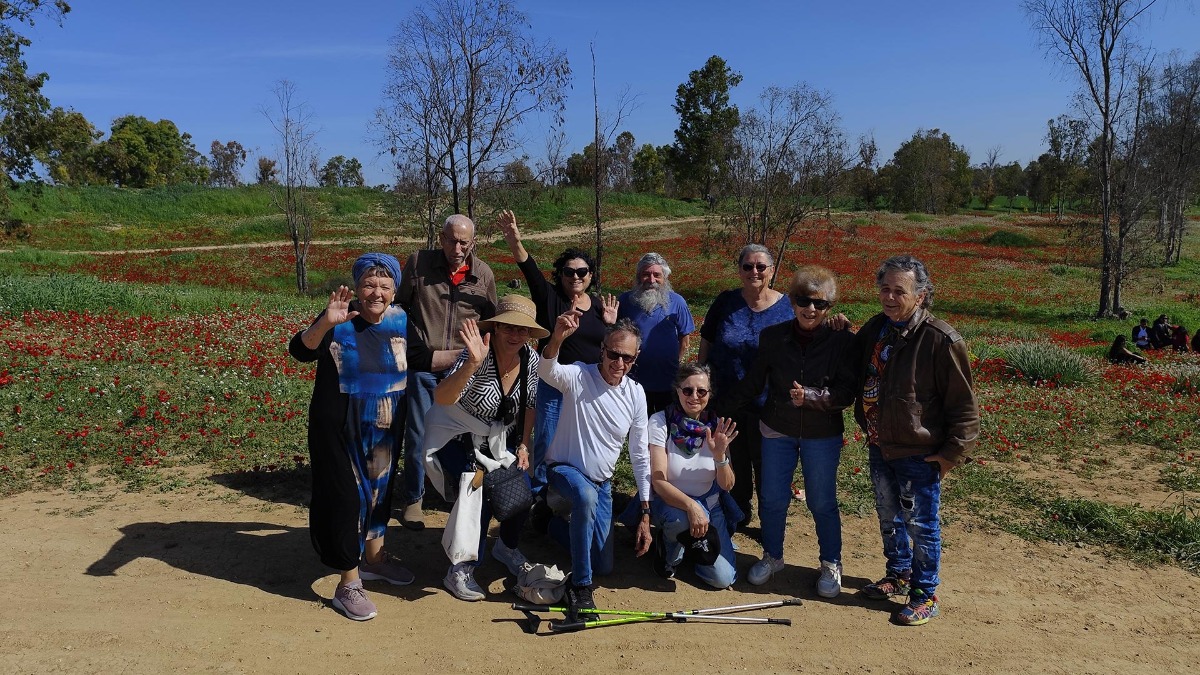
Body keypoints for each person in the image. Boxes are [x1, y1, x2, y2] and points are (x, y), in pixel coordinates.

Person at [853, 255, 979, 626]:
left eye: (899, 291)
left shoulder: (941, 339)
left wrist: (952, 455)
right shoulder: (876, 328)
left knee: (921, 525)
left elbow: (964, 405)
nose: (890, 297)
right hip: (881, 444)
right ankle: (899, 574)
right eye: (885, 289)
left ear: (921, 296)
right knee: (889, 517)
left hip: (920, 452)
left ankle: (925, 593)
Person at [288, 253, 414, 622]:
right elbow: (299, 351)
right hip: (339, 429)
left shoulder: (402, 319)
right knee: (346, 501)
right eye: (369, 285)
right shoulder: (339, 318)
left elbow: (422, 358)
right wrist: (324, 324)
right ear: (357, 288)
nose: (377, 292)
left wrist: (472, 356)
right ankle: (348, 583)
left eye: (384, 286)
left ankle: (374, 559)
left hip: (386, 426)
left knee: (379, 495)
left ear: (394, 290)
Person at [718, 265, 857, 598]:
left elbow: (846, 392)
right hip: (777, 428)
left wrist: (811, 397)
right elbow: (753, 383)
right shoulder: (774, 337)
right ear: (792, 301)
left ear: (829, 307)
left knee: (822, 501)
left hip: (821, 433)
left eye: (820, 304)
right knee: (772, 498)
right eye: (803, 301)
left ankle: (830, 562)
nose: (811, 309)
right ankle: (773, 556)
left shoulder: (841, 340)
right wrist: (713, 410)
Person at [419, 296, 546, 601]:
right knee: (478, 489)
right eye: (508, 328)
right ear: (496, 327)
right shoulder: (476, 354)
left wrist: (524, 444)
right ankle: (460, 568)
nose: (515, 336)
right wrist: (473, 363)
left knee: (522, 488)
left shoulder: (530, 360)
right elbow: (443, 397)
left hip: (497, 438)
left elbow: (529, 406)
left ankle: (507, 546)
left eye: (523, 330)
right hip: (456, 433)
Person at [496, 210, 618, 499]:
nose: (575, 276)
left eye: (581, 272)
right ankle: (538, 495)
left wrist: (611, 325)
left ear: (590, 276)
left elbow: (611, 347)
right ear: (560, 274)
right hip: (553, 383)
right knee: (547, 439)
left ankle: (570, 490)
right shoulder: (550, 297)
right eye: (568, 271)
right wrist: (515, 239)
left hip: (588, 387)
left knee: (580, 441)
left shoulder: (602, 307)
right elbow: (528, 267)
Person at [539, 313, 651, 613]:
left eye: (627, 358)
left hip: (602, 483)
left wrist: (645, 509)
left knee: (604, 564)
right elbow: (547, 370)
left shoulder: (636, 394)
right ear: (602, 349)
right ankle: (581, 587)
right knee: (584, 497)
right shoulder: (579, 376)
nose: (619, 363)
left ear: (635, 358)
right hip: (564, 469)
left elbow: (640, 454)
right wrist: (558, 337)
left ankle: (549, 525)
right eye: (614, 354)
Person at [397, 214, 497, 530]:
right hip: (425, 367)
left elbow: (491, 322)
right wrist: (412, 347)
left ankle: (457, 494)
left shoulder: (483, 275)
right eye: (451, 240)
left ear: (473, 243)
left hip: (464, 369)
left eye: (464, 242)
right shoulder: (418, 264)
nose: (457, 247)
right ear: (441, 238)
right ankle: (414, 498)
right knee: (418, 433)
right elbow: (399, 307)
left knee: (467, 436)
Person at [698, 243, 793, 529]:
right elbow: (707, 342)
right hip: (727, 401)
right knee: (733, 463)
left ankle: (771, 526)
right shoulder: (725, 302)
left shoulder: (787, 307)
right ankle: (738, 516)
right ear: (739, 270)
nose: (754, 271)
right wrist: (702, 385)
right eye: (748, 266)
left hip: (770, 405)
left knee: (768, 470)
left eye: (761, 266)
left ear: (772, 270)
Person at [647, 363, 740, 589]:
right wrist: (691, 506)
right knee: (680, 521)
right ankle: (670, 547)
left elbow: (727, 485)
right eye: (687, 390)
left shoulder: (717, 426)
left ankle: (693, 549)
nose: (694, 396)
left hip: (710, 505)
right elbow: (658, 482)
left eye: (701, 391)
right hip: (670, 504)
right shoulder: (661, 422)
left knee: (723, 578)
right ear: (678, 390)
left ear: (710, 394)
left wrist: (719, 456)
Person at [617, 252, 695, 414]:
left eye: (657, 275)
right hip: (634, 382)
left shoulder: (677, 302)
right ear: (638, 277)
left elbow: (684, 339)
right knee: (637, 431)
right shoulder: (625, 301)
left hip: (667, 381)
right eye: (646, 274)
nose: (651, 280)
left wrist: (673, 362)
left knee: (664, 430)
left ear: (664, 278)